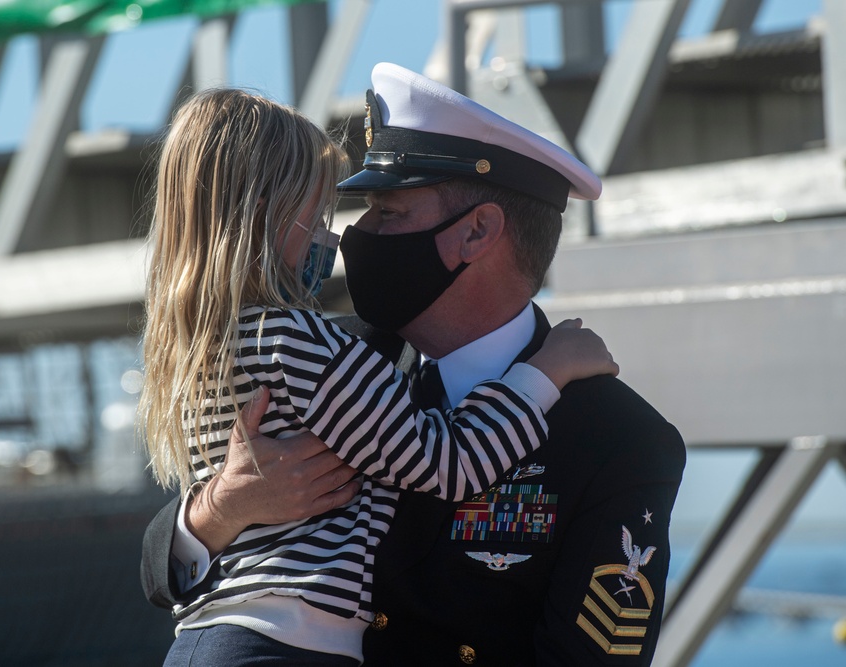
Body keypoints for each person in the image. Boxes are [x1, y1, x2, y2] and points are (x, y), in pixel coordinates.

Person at [143, 63, 687, 666]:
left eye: (389, 212)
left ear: (477, 231)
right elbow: (159, 563)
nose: (355, 236)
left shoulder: (617, 439)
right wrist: (221, 508)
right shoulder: (332, 356)